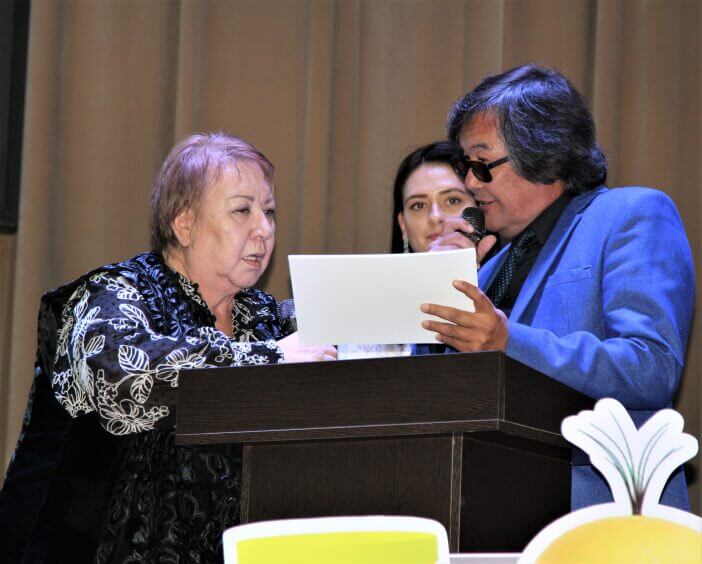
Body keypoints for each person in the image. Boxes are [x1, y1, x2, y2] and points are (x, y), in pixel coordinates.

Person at [0, 132, 337, 562]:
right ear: (184, 223)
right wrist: (271, 360)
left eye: (269, 211)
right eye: (242, 210)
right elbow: (124, 381)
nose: (264, 229)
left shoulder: (266, 316)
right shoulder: (114, 294)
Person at [418, 64, 695, 511]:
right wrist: (433, 288)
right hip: (484, 506)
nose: (469, 182)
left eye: (482, 164)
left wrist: (508, 341)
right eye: (464, 165)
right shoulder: (489, 268)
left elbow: (650, 368)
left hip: (598, 511)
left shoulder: (630, 215)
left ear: (543, 154)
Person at [340, 141, 481, 360]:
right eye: (419, 205)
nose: (435, 216)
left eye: (452, 200)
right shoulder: (366, 309)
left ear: (479, 207)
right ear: (403, 225)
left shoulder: (510, 285)